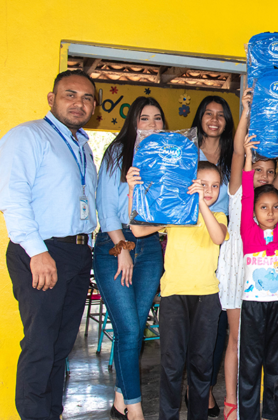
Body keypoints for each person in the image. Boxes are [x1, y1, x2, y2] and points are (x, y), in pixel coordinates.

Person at [0, 69, 97, 420]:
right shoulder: (28, 136)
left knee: (60, 348)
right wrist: (36, 251)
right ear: (52, 99)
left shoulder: (82, 147)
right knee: (40, 347)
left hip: (76, 253)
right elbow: (13, 197)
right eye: (70, 94)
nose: (78, 103)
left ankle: (50, 414)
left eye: (86, 98)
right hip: (42, 251)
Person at [127, 161, 228, 420]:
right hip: (174, 296)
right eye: (202, 184)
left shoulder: (217, 217)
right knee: (171, 365)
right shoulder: (176, 214)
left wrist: (201, 203)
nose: (209, 190)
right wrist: (132, 191)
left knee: (202, 365)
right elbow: (138, 229)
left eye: (214, 186)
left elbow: (218, 237)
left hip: (207, 298)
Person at [216, 88, 278, 420]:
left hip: (270, 288)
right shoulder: (242, 191)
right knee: (238, 341)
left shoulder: (272, 203)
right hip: (237, 264)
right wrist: (246, 110)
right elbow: (239, 158)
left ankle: (264, 408)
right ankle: (234, 402)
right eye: (258, 170)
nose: (264, 175)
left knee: (267, 351)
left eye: (268, 170)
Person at [94, 96, 166, 420]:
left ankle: (120, 398)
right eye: (144, 118)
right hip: (114, 245)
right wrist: (122, 249)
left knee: (134, 328)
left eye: (157, 118)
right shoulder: (117, 151)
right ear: (133, 121)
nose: (152, 125)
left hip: (150, 247)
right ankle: (135, 410)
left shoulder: (167, 159)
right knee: (129, 327)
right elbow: (105, 207)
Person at [237, 135, 278, 420]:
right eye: (264, 208)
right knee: (250, 364)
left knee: (277, 363)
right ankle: (249, 414)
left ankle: (272, 414)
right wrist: (249, 160)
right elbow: (248, 194)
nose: (271, 212)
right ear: (253, 211)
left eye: (275, 207)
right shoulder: (247, 231)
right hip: (253, 306)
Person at [191, 95, 235, 413]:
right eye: (208, 113)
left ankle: (204, 386)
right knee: (192, 323)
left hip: (224, 240)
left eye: (221, 114)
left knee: (217, 321)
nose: (215, 119)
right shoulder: (185, 148)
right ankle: (197, 386)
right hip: (190, 240)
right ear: (200, 117)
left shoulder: (233, 153)